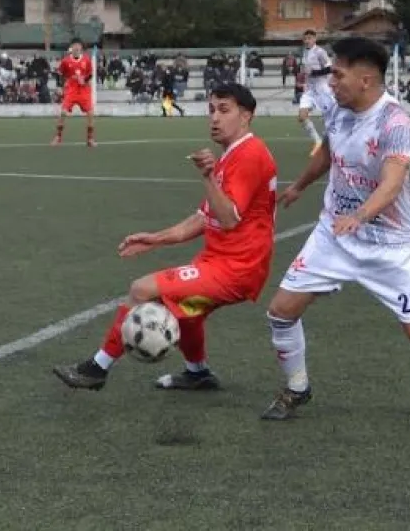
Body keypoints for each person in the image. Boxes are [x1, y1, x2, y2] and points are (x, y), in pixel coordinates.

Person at [261, 36, 410, 425]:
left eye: (339, 74)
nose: (331, 83)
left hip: (389, 248)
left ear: (366, 79)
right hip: (334, 237)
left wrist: (360, 216)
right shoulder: (339, 110)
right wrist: (299, 185)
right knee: (281, 312)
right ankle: (297, 387)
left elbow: (392, 183)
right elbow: (329, 152)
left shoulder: (395, 123)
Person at [53, 82, 277, 391]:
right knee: (186, 314)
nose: (214, 118)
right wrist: (154, 239)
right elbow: (201, 219)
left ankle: (96, 369)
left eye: (224, 110)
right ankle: (198, 373)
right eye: (211, 110)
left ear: (246, 116)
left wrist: (208, 176)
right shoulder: (230, 156)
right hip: (222, 261)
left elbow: (227, 218)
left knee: (141, 289)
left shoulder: (249, 154)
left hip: (236, 268)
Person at [52, 38, 96, 147]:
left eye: (78, 45)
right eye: (74, 45)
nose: (76, 47)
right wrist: (59, 86)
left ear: (81, 47)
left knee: (90, 114)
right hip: (71, 90)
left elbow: (91, 74)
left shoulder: (86, 60)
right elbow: (59, 74)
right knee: (63, 113)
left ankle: (90, 139)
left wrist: (84, 80)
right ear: (71, 48)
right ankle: (58, 137)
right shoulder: (66, 61)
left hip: (84, 90)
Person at [297, 29, 335, 156]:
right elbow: (306, 70)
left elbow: (330, 68)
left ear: (315, 39)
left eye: (309, 38)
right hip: (309, 90)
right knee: (302, 116)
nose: (307, 41)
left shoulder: (320, 52)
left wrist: (314, 73)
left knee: (329, 118)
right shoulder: (304, 52)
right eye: (305, 38)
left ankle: (333, 144)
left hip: (322, 89)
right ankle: (318, 142)